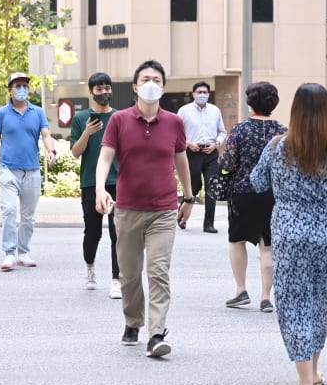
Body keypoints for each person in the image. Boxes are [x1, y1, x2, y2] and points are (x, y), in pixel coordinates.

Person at [250, 82, 327, 385]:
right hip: (326, 233)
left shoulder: (279, 146)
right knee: (317, 300)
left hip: (288, 232)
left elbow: (257, 181)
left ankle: (303, 383)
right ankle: (313, 372)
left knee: (291, 304)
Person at [95, 60, 193, 358]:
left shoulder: (174, 122)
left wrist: (188, 197)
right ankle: (133, 321)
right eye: (145, 78)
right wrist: (100, 188)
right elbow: (105, 158)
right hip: (127, 209)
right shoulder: (120, 120)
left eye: (157, 79)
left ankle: (156, 334)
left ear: (163, 87)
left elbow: (181, 161)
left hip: (163, 210)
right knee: (130, 274)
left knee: (158, 272)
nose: (151, 83)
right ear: (135, 86)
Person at [218, 81, 287, 313]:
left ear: (250, 103)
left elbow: (227, 163)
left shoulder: (239, 130)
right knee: (267, 247)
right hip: (273, 194)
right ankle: (266, 297)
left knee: (236, 240)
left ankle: (240, 290)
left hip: (243, 192)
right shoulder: (283, 131)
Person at [0, 72, 57, 271]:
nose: (21, 89)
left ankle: (23, 252)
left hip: (32, 170)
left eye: (24, 86)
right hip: (8, 169)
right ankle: (9, 253)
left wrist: (51, 150)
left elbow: (46, 135)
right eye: (17, 86)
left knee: (28, 216)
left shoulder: (38, 112)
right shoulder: (1, 114)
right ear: (10, 90)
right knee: (9, 211)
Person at [69, 72, 121, 297]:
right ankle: (90, 268)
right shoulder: (81, 119)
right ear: (90, 92)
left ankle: (116, 279)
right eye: (99, 89)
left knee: (118, 233)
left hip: (117, 182)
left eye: (107, 87)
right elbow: (75, 152)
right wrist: (88, 133)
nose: (104, 92)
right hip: (91, 183)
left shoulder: (120, 117)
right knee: (93, 232)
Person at [178, 81, 226, 233]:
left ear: (209, 94)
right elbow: (176, 133)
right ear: (193, 94)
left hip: (211, 152)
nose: (202, 95)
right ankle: (182, 217)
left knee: (212, 186)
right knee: (194, 186)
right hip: (193, 152)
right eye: (199, 92)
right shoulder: (184, 111)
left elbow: (222, 132)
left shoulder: (215, 111)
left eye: (205, 92)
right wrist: (188, 143)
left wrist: (216, 144)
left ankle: (209, 224)